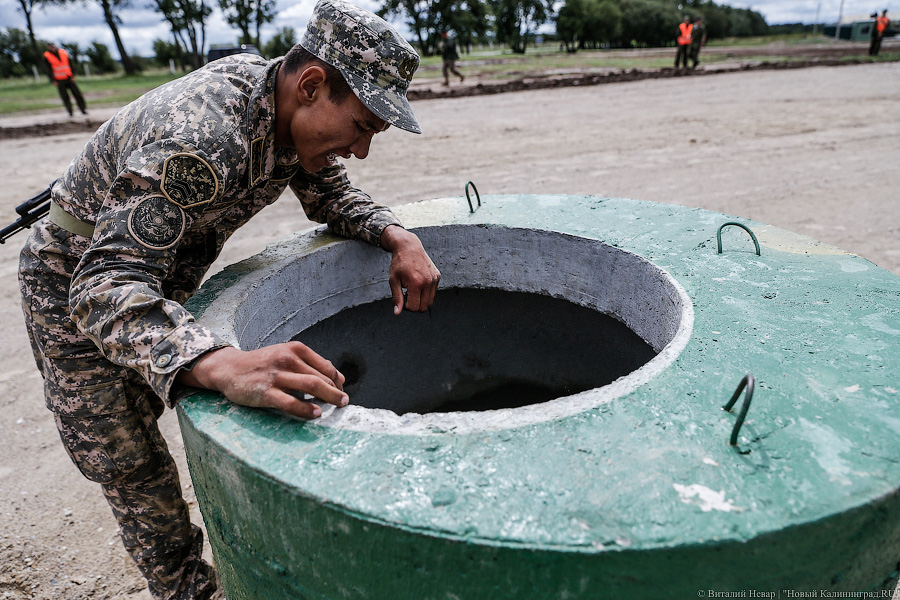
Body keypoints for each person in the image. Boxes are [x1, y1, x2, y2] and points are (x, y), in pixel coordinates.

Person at [17, 0, 441, 598]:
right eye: (364, 127)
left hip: (148, 276)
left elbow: (331, 196)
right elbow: (103, 285)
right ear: (313, 85)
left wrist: (397, 235)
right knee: (128, 457)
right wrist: (217, 362)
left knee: (163, 394)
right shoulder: (204, 136)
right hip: (76, 286)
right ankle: (189, 590)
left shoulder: (283, 109)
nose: (362, 150)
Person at [43, 42, 88, 117]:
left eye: (53, 46)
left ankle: (83, 109)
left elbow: (70, 64)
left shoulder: (63, 52)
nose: (52, 47)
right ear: (48, 48)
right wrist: (53, 80)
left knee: (77, 94)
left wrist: (73, 75)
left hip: (69, 77)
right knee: (65, 97)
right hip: (59, 80)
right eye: (50, 47)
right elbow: (48, 70)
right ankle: (70, 111)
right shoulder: (47, 56)